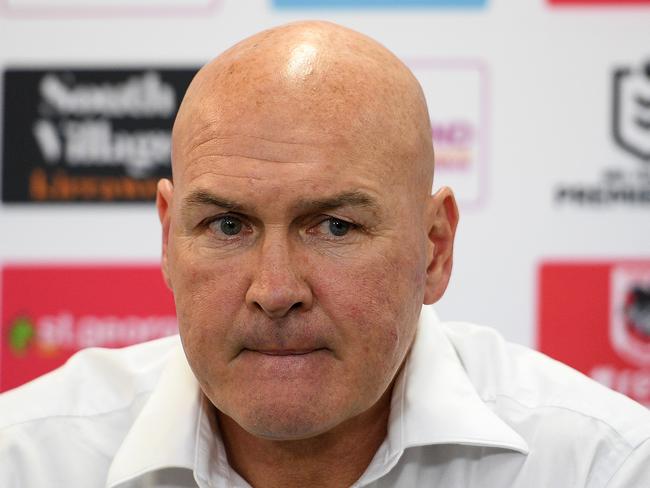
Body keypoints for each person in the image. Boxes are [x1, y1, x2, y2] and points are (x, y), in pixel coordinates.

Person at [1, 20, 649, 488]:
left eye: (334, 227)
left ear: (434, 250)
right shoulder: (27, 461)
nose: (275, 290)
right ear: (169, 240)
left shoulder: (602, 467)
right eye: (227, 225)